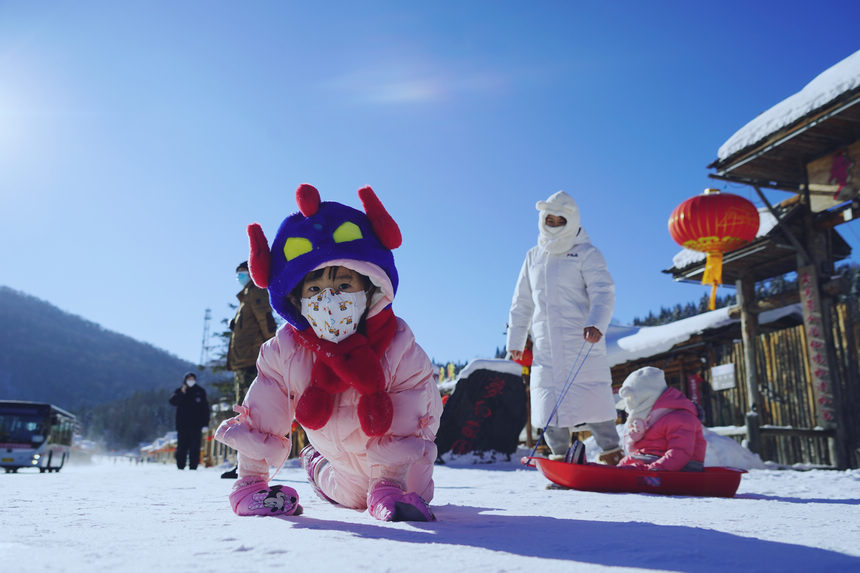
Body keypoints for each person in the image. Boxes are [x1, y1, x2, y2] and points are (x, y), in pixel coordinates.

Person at [215, 184, 441, 521]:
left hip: (403, 470)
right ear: (297, 299)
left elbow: (415, 412)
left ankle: (386, 487)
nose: (329, 299)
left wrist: (389, 484)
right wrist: (251, 481)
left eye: (344, 286)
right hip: (341, 469)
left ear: (370, 288)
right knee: (350, 497)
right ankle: (314, 464)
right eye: (315, 289)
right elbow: (264, 411)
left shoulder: (399, 346)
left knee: (412, 492)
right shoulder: (286, 351)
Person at [507, 190, 623, 465]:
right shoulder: (533, 256)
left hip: (581, 339)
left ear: (572, 220)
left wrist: (596, 322)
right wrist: (516, 338)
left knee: (593, 395)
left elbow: (603, 291)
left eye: (561, 220)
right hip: (546, 345)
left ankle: (611, 453)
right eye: (551, 219)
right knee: (548, 401)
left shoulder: (587, 253)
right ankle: (560, 459)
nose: (555, 224)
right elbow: (522, 301)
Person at [221, 260, 277, 479]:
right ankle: (244, 464)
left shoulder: (255, 294)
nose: (240, 277)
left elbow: (266, 321)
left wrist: (272, 348)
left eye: (243, 273)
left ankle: (248, 465)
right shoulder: (245, 297)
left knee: (247, 414)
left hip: (251, 363)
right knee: (243, 414)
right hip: (243, 363)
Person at [616, 367, 706, 471]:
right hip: (653, 460)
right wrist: (634, 439)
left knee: (630, 469)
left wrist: (656, 470)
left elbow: (680, 452)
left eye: (632, 399)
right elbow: (643, 448)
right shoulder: (649, 417)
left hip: (681, 468)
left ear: (646, 396)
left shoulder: (680, 417)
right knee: (625, 463)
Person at [168, 372, 209, 470]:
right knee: (182, 447)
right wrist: (182, 393)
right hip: (182, 425)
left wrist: (205, 424)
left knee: (195, 447)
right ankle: (180, 465)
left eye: (192, 379)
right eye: (189, 379)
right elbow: (172, 402)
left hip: (196, 425)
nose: (191, 381)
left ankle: (193, 466)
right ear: (185, 380)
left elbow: (205, 408)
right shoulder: (180, 391)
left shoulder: (200, 391)